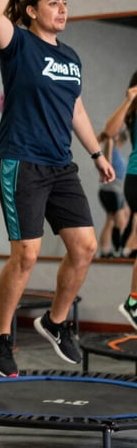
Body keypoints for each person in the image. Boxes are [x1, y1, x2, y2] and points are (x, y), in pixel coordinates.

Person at [0, 0, 114, 378]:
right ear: (33, 10)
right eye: (53, 2)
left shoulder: (72, 57)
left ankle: (55, 323)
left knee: (86, 246)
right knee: (28, 254)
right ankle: (0, 335)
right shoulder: (18, 45)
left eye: (66, 3)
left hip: (61, 164)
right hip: (21, 159)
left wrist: (96, 153)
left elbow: (74, 106)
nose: (63, 9)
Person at [101, 71, 137, 329]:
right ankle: (133, 302)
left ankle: (134, 301)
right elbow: (109, 132)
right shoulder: (133, 110)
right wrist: (128, 100)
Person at [96, 129, 129, 258]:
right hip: (110, 191)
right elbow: (107, 140)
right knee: (120, 222)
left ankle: (105, 251)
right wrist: (110, 136)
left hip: (113, 191)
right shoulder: (111, 149)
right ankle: (118, 250)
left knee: (111, 220)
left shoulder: (118, 153)